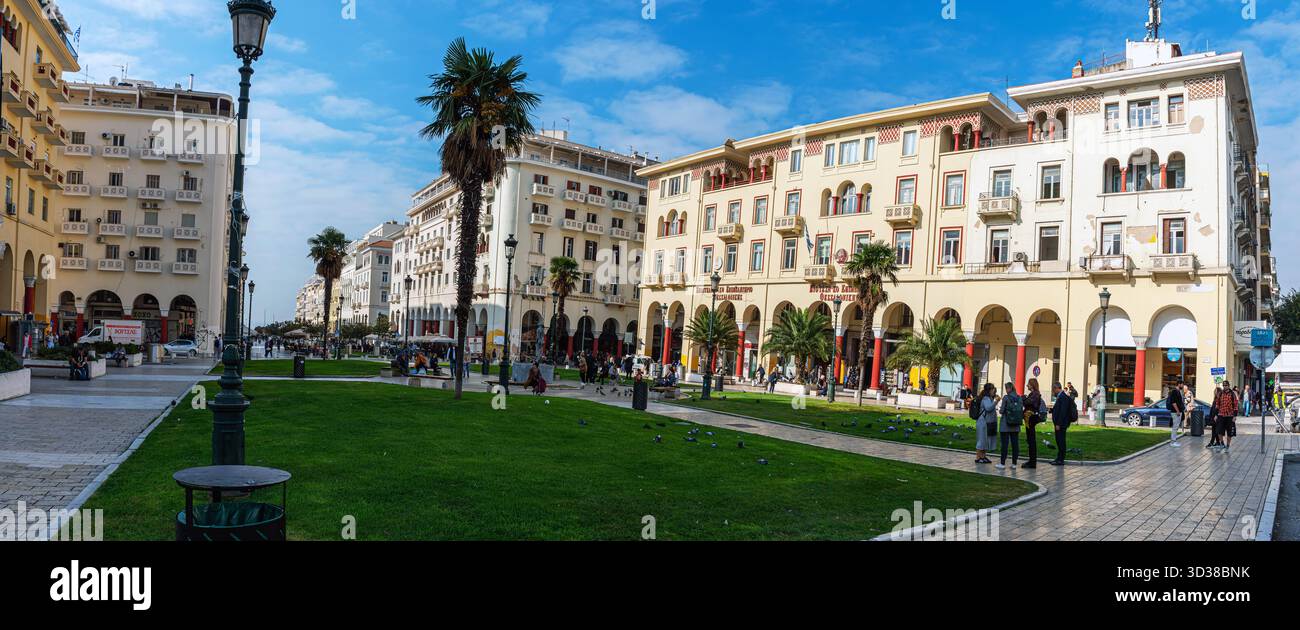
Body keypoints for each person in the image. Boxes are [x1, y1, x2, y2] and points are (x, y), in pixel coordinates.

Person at [996, 382, 1023, 469]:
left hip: (1005, 425)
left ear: (1009, 389)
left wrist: (1000, 410)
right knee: (1015, 444)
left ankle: (1002, 463)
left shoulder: (1006, 398)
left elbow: (1002, 411)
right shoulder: (1019, 398)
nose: (1006, 390)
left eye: (1006, 388)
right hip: (1016, 425)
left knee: (1004, 444)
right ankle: (1014, 464)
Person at [1049, 382, 1074, 465]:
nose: (1053, 392)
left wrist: (1058, 424)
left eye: (1053, 390)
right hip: (1060, 423)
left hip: (1061, 424)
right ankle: (1058, 458)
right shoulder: (1061, 396)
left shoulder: (1062, 397)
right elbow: (1059, 409)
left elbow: (1063, 412)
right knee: (1059, 441)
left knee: (1061, 441)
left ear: (1057, 388)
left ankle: (1060, 459)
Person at [1022, 378, 1046, 468]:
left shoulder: (1035, 394)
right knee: (1030, 440)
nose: (1027, 385)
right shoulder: (1033, 394)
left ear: (1032, 385)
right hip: (1029, 419)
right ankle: (1031, 461)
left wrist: (1024, 398)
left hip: (1031, 419)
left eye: (1028, 384)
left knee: (1031, 440)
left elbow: (1028, 403)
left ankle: (1032, 462)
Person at [974, 383, 998, 465]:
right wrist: (996, 402)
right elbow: (988, 408)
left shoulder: (989, 398)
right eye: (992, 389)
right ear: (989, 390)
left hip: (984, 421)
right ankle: (978, 457)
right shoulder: (985, 399)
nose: (993, 390)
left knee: (984, 440)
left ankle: (983, 456)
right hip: (982, 422)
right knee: (981, 439)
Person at [1212, 380, 1239, 451]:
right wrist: (1216, 415)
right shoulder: (1220, 394)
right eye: (1223, 385)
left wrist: (1235, 416)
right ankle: (1222, 443)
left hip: (1230, 415)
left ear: (1228, 386)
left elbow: (1236, 405)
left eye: (1226, 385)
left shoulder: (1232, 394)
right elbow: (1217, 404)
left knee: (1230, 432)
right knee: (1219, 431)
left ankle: (1227, 446)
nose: (1224, 387)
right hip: (1221, 414)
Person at [1165, 380, 1185, 446]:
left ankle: (1174, 441)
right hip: (1175, 412)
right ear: (1179, 384)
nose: (1183, 386)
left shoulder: (1178, 391)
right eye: (1182, 384)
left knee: (1176, 427)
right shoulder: (1174, 391)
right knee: (1175, 427)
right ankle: (1173, 442)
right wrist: (1178, 411)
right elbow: (1173, 402)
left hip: (1178, 412)